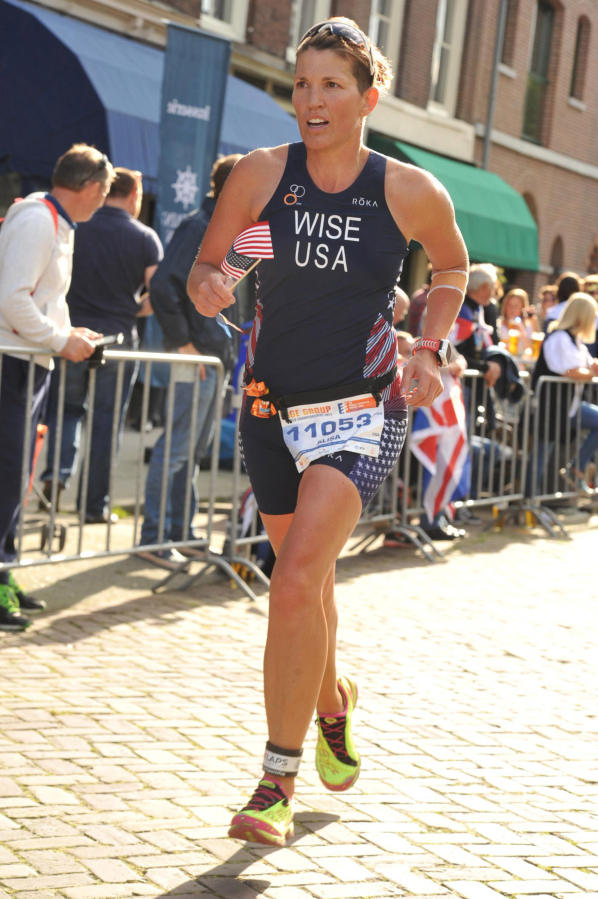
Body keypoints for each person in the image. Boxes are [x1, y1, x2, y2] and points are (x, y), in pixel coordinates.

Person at [188, 16, 468, 845]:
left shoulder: (408, 189)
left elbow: (449, 267)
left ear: (367, 96)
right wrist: (211, 285)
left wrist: (428, 344)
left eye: (331, 85)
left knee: (294, 577)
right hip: (273, 410)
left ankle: (274, 780)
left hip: (361, 410)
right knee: (308, 588)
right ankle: (332, 702)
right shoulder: (262, 177)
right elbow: (217, 263)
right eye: (302, 83)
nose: (311, 99)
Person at [0, 143, 113, 631]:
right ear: (90, 188)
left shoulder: (50, 219)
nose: (104, 201)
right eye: (105, 192)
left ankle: (3, 570)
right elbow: (12, 299)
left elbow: (36, 299)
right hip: (14, 361)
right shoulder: (39, 219)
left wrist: (69, 333)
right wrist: (61, 338)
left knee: (14, 474)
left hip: (28, 359)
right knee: (6, 474)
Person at [41, 168, 163, 523]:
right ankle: (94, 507)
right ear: (134, 194)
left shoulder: (79, 225)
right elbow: (159, 292)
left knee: (65, 411)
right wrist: (132, 310)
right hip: (117, 340)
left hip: (69, 335)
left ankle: (55, 477)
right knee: (107, 422)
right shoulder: (144, 236)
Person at [136, 154, 241, 569]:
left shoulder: (222, 229)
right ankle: (155, 536)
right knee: (178, 448)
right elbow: (163, 286)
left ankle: (179, 530)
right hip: (197, 357)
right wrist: (183, 344)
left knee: (192, 450)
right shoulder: (201, 226)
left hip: (211, 357)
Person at [531, 292, 598, 494]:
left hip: (568, 406)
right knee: (540, 457)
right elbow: (572, 371)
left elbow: (587, 367)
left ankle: (576, 468)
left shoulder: (575, 341)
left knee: (542, 457)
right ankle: (528, 502)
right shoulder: (560, 337)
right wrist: (589, 372)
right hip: (552, 407)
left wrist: (590, 370)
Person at [452, 264, 501, 388]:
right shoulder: (463, 312)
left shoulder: (477, 310)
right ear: (484, 287)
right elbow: (454, 352)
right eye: (493, 288)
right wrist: (484, 367)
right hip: (457, 383)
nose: (493, 293)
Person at [498, 287, 540, 353]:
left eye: (516, 306)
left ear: (522, 308)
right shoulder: (498, 324)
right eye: (510, 305)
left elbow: (532, 349)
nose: (512, 309)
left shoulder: (528, 325)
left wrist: (522, 332)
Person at [407, 262, 432, 336]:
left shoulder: (419, 294)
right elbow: (423, 328)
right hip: (421, 342)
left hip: (415, 340)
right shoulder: (428, 299)